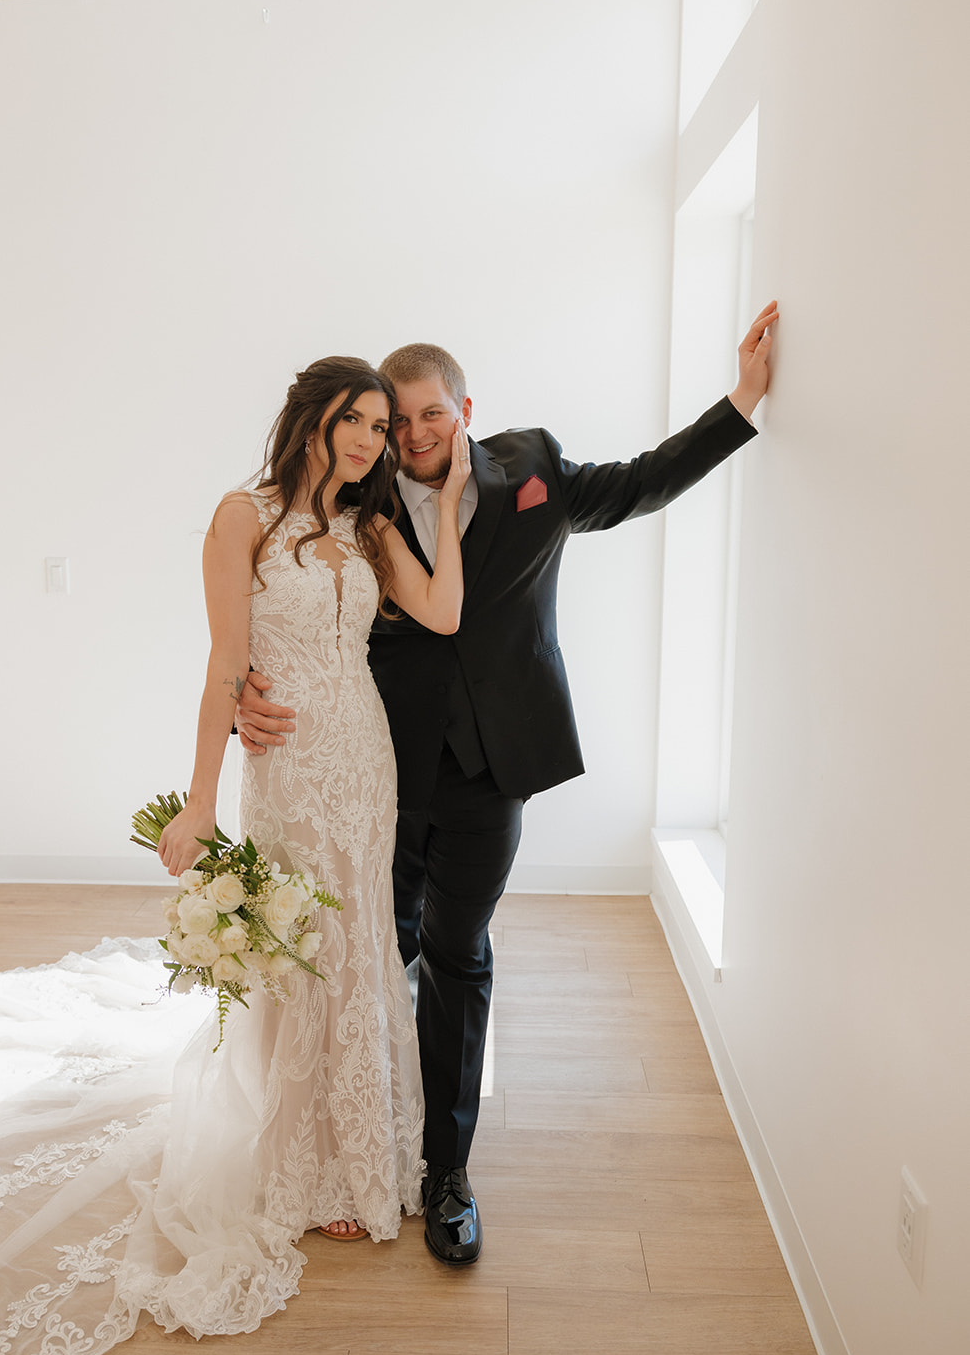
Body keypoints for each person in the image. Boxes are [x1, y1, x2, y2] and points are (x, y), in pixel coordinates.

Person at [0, 356, 471, 1355]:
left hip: (366, 759)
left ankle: (361, 1159)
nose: (367, 439)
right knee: (298, 947)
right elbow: (223, 663)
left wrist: (454, 485)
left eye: (381, 426)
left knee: (357, 951)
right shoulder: (240, 515)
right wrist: (203, 798)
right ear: (311, 417)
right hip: (289, 765)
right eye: (353, 419)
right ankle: (296, 1164)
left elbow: (439, 613)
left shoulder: (374, 523)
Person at [234, 303, 778, 1266]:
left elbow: (642, 485)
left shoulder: (531, 470)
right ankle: (364, 1144)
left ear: (464, 409)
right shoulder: (360, 498)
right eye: (395, 422)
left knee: (456, 954)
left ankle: (446, 1171)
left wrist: (740, 399)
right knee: (372, 949)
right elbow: (288, 599)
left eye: (428, 415)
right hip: (376, 768)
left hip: (495, 772)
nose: (410, 435)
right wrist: (245, 689)